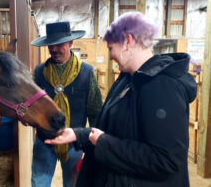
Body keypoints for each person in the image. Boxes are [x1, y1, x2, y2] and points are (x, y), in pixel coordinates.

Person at [45, 12, 197, 187]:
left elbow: (166, 159)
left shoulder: (162, 86)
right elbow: (112, 129)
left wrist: (103, 143)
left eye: (110, 48)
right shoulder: (128, 79)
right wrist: (78, 134)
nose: (110, 56)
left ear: (127, 41)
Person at [31, 21, 103, 187]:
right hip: (44, 140)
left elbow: (95, 111)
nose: (54, 50)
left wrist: (95, 144)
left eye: (60, 44)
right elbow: (31, 105)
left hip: (74, 143)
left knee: (73, 184)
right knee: (38, 183)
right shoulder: (39, 72)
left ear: (71, 43)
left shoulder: (86, 73)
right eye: (51, 45)